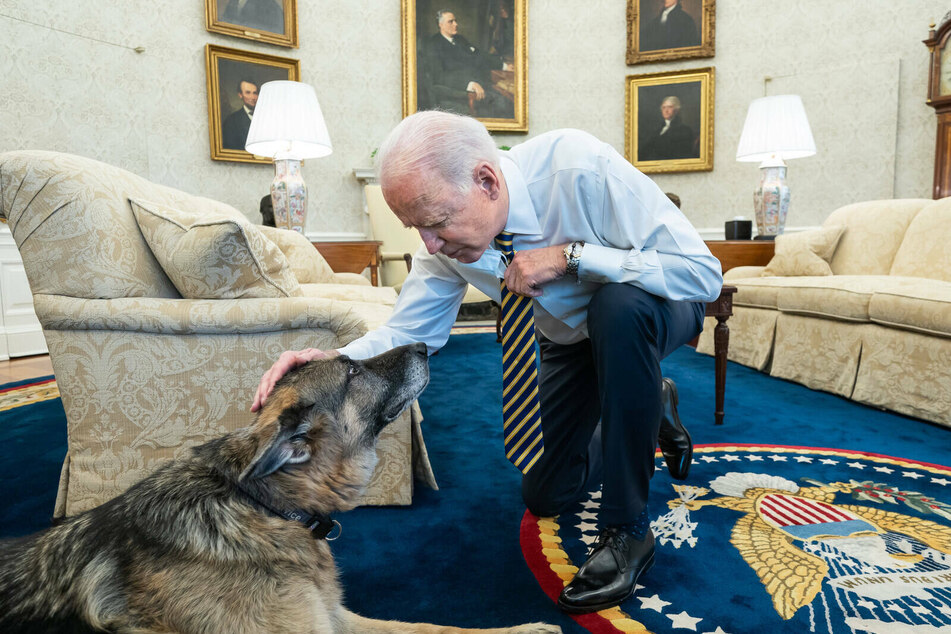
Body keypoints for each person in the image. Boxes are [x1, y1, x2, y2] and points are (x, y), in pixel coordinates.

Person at [251, 111, 722, 614]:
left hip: (655, 307)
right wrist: (333, 359)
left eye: (434, 224)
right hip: (570, 340)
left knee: (617, 308)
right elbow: (412, 333)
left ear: (486, 181)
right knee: (545, 495)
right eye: (416, 229)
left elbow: (703, 276)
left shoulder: (580, 170)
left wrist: (574, 256)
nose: (428, 245)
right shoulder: (444, 244)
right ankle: (652, 403)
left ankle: (627, 530)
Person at [422, 9, 513, 118]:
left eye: (455, 21)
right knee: (502, 104)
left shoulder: (460, 39)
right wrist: (469, 83)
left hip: (480, 84)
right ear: (441, 25)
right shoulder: (433, 45)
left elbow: (480, 56)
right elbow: (439, 76)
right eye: (451, 22)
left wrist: (504, 66)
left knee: (508, 98)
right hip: (460, 93)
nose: (456, 24)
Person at [639, 96, 696, 161]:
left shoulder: (685, 130)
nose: (666, 110)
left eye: (670, 107)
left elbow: (680, 154)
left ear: (677, 110)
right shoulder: (657, 130)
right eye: (664, 107)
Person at [222, 79, 258, 151]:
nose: (253, 97)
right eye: (248, 93)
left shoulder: (267, 118)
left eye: (255, 93)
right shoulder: (231, 121)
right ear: (240, 95)